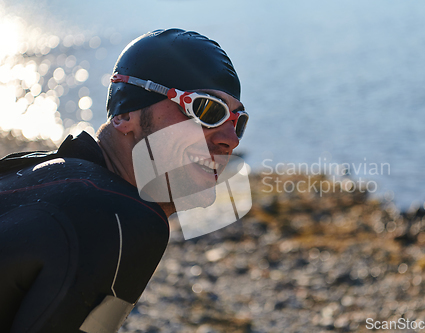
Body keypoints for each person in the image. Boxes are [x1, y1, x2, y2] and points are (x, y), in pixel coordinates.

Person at [0, 28, 248, 333]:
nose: (230, 140)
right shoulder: (122, 219)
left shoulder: (34, 171)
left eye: (238, 122)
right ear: (124, 115)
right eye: (206, 110)